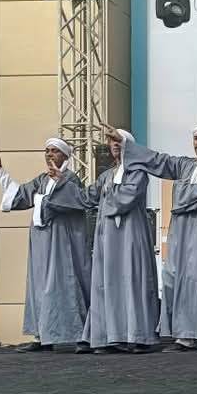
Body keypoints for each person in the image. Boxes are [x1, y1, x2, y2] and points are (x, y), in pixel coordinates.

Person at [119, 124, 197, 352]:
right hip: (181, 230)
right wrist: (125, 144)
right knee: (175, 277)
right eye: (196, 138)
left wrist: (179, 189)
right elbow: (159, 160)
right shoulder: (185, 165)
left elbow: (196, 195)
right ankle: (183, 334)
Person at [53, 127, 161, 355]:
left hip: (130, 236)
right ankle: (107, 335)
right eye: (111, 141)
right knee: (106, 283)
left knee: (131, 281)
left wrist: (105, 195)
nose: (114, 145)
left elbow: (126, 198)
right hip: (108, 238)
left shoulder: (138, 173)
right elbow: (86, 198)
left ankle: (136, 336)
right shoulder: (106, 176)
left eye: (118, 141)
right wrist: (63, 181)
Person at [0, 138, 91, 351]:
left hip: (62, 242)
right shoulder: (42, 180)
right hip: (41, 242)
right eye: (47, 151)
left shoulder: (70, 179)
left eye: (54, 151)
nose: (49, 154)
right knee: (40, 286)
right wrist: (0, 170)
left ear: (65, 155)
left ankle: (82, 336)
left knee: (66, 284)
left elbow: (74, 201)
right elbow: (20, 195)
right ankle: (43, 336)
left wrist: (57, 185)